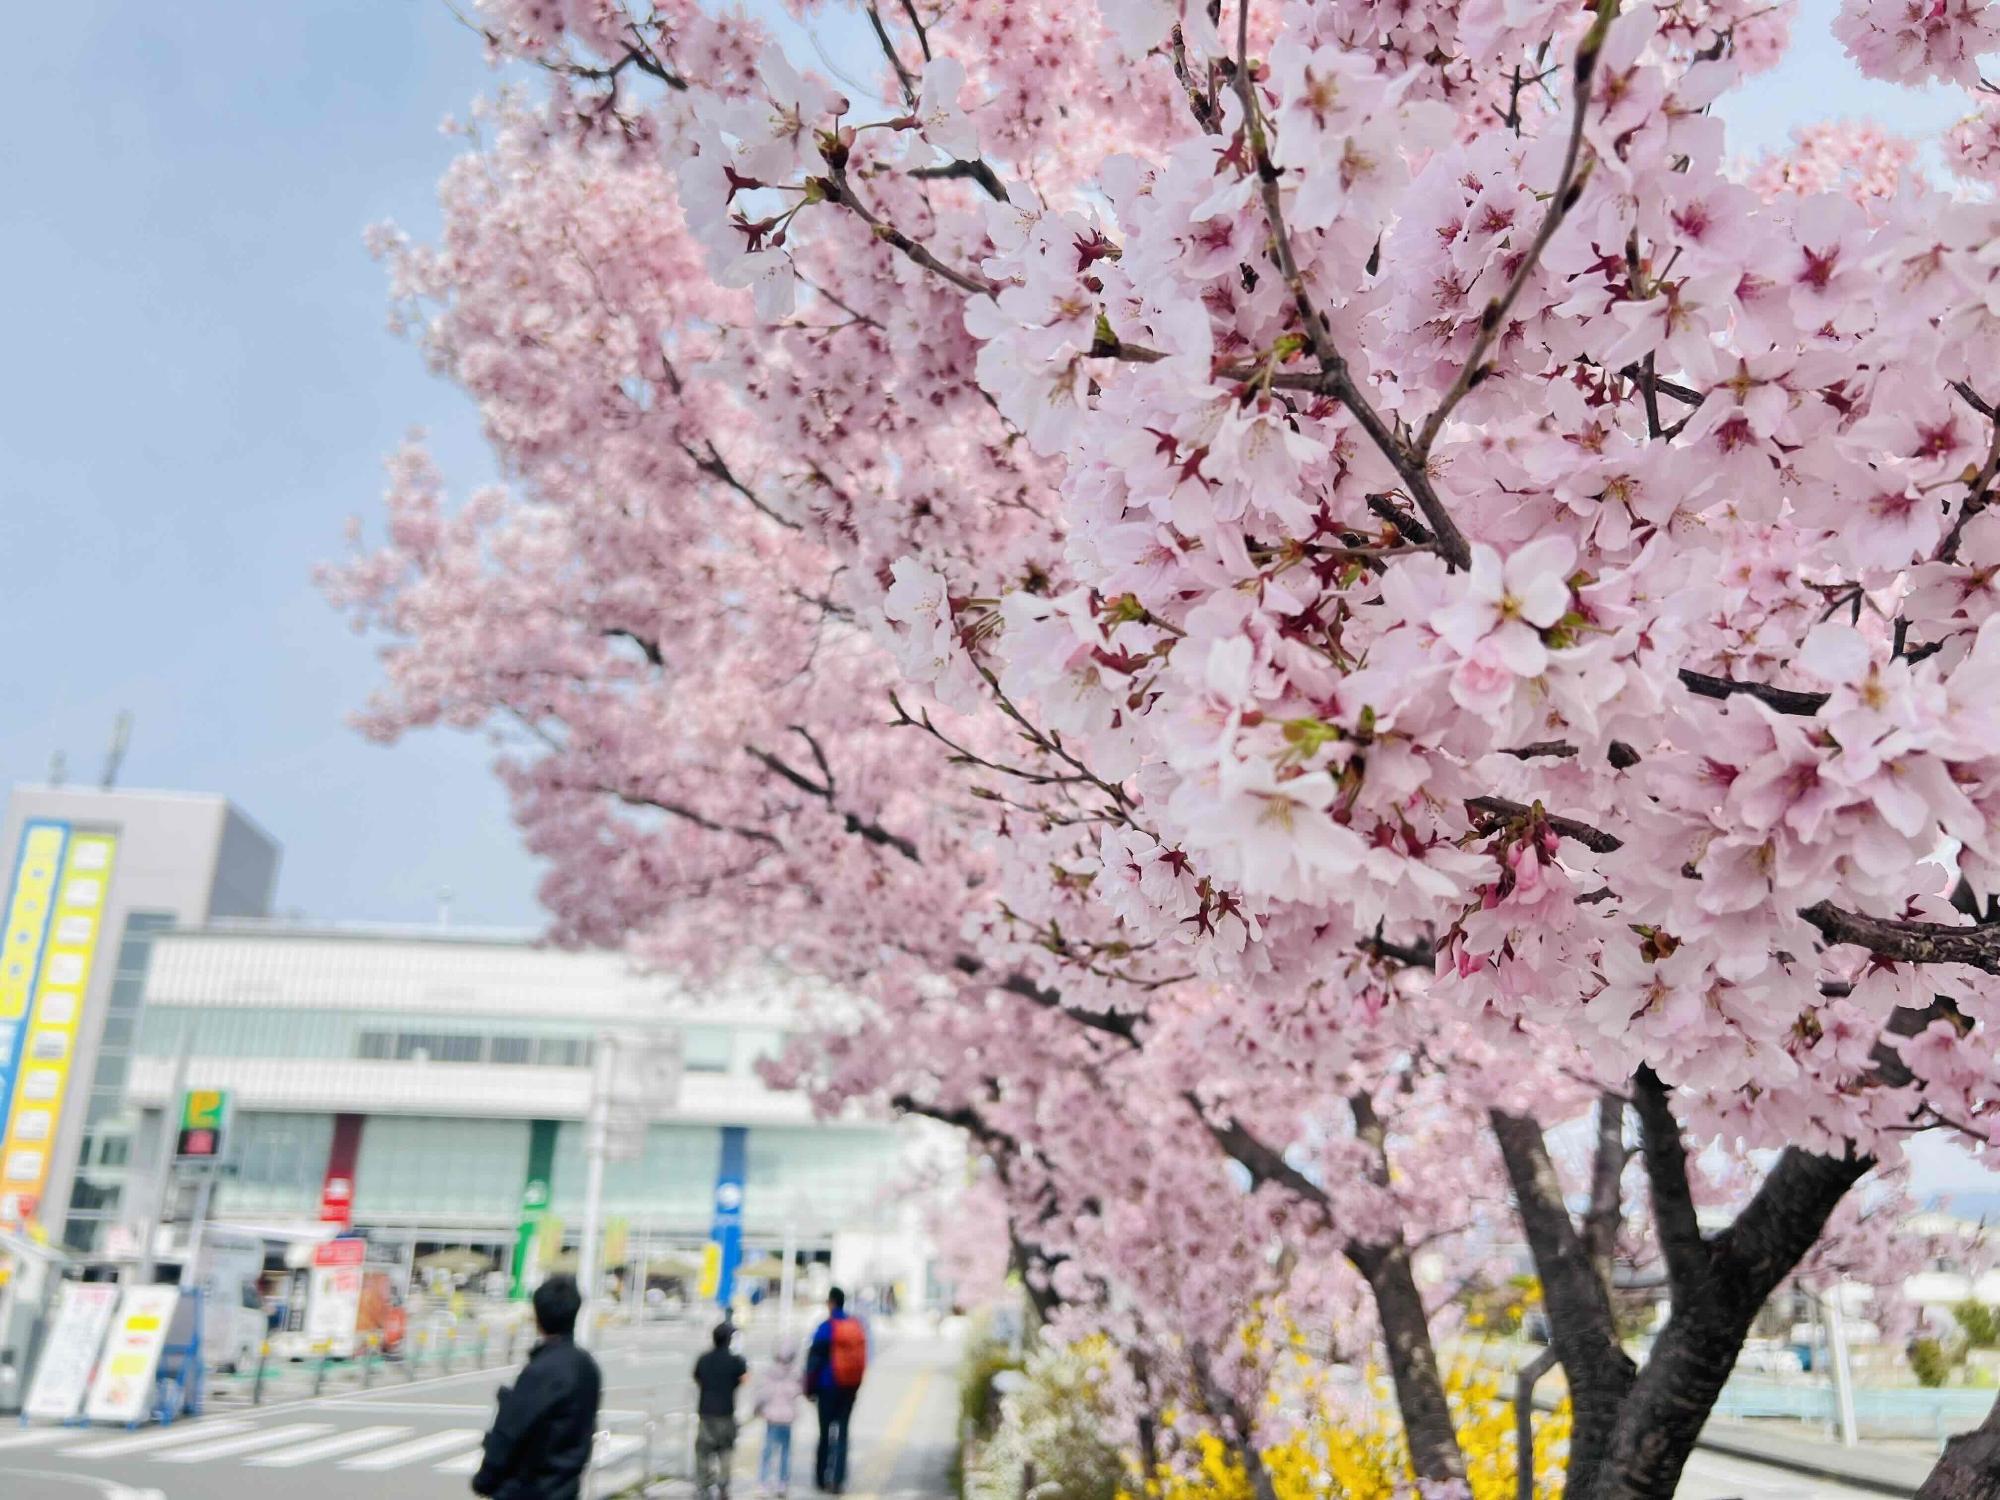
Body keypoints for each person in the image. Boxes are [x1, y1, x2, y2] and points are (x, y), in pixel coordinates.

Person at [471, 1276, 601, 1500]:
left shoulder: (540, 1371)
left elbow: (510, 1432)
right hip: (566, 1487)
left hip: (527, 1489)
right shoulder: (588, 1367)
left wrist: (485, 1479)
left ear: (538, 1317)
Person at [803, 1287, 867, 1493]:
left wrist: (808, 1388)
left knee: (825, 1434)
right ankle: (838, 1480)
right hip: (848, 1387)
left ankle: (822, 1478)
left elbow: (813, 1361)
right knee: (843, 1434)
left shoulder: (825, 1327)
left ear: (831, 1303)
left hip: (827, 1386)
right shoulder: (855, 1325)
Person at [693, 1320, 749, 1500]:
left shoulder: (703, 1359)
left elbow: (697, 1377)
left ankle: (703, 1486)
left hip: (705, 1412)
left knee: (703, 1451)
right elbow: (745, 1379)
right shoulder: (736, 1360)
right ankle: (723, 1486)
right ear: (729, 1340)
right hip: (726, 1413)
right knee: (725, 1451)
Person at [753, 1339, 802, 1497]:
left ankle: (763, 1483)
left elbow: (762, 1394)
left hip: (772, 1417)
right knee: (785, 1452)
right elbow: (798, 1391)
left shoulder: (769, 1372)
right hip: (787, 1418)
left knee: (767, 1452)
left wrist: (756, 1409)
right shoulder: (795, 1374)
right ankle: (782, 1483)